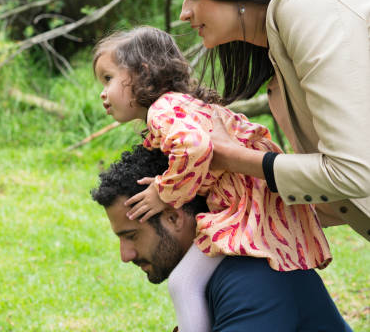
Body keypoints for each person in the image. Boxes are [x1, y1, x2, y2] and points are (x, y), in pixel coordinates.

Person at [92, 26, 331, 332]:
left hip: (243, 205)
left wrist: (164, 191)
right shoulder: (182, 107)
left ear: (142, 73)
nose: (103, 92)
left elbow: (195, 147)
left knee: (182, 283)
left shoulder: (162, 110)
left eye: (108, 78)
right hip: (256, 196)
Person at [171, 0, 370, 241]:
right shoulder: (278, 78)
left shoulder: (303, 5)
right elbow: (338, 193)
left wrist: (234, 157)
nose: (184, 13)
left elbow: (353, 173)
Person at [91, 145, 352, 332]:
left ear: (174, 217)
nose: (125, 255)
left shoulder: (254, 277)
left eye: (131, 236)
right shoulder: (217, 273)